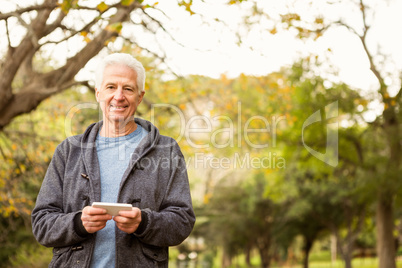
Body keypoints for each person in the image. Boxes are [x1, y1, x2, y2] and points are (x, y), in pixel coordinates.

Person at [31, 53, 196, 267]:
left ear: (140, 96)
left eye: (128, 88)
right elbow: (42, 224)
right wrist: (79, 223)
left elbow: (182, 222)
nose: (119, 96)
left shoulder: (166, 150)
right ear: (98, 93)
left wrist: (143, 222)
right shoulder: (68, 151)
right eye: (111, 87)